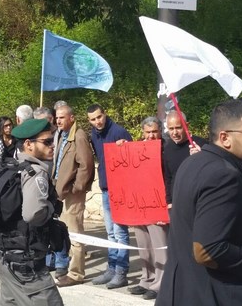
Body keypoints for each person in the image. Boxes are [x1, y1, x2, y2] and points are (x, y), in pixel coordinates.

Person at [156, 99, 242, 305]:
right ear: (225, 137)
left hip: (183, 291)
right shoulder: (223, 175)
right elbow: (208, 250)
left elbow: (202, 222)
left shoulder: (192, 163)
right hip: (215, 294)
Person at [0, 118, 64, 305]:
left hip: (7, 258)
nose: (52, 146)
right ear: (28, 145)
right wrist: (51, 206)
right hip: (27, 264)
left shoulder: (11, 168)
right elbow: (32, 213)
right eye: (47, 142)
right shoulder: (35, 173)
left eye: (53, 141)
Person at [87, 104, 133, 288]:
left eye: (99, 117)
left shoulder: (119, 132)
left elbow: (133, 159)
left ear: (105, 114)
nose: (97, 121)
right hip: (106, 189)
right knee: (110, 233)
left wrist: (126, 147)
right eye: (93, 119)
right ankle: (112, 269)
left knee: (120, 233)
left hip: (120, 190)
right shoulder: (93, 135)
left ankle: (122, 272)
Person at [50, 105, 95, 287]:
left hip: (72, 193)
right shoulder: (62, 135)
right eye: (57, 117)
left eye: (62, 117)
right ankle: (70, 268)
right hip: (61, 191)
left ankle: (76, 274)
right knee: (67, 232)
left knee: (76, 234)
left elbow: (86, 164)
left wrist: (77, 188)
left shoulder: (79, 135)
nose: (58, 120)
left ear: (72, 117)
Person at [127, 116, 168, 300]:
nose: (151, 135)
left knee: (159, 244)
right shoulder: (137, 148)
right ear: (143, 132)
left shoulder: (167, 150)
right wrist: (123, 147)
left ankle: (161, 282)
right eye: (148, 132)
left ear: (160, 132)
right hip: (139, 204)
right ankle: (147, 278)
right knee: (143, 244)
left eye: (154, 132)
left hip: (158, 203)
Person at [163, 111, 206, 210]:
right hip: (177, 204)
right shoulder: (168, 148)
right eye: (171, 129)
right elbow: (168, 177)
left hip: (197, 202)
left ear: (186, 126)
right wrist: (169, 201)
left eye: (178, 128)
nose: (174, 133)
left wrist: (201, 157)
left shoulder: (201, 145)